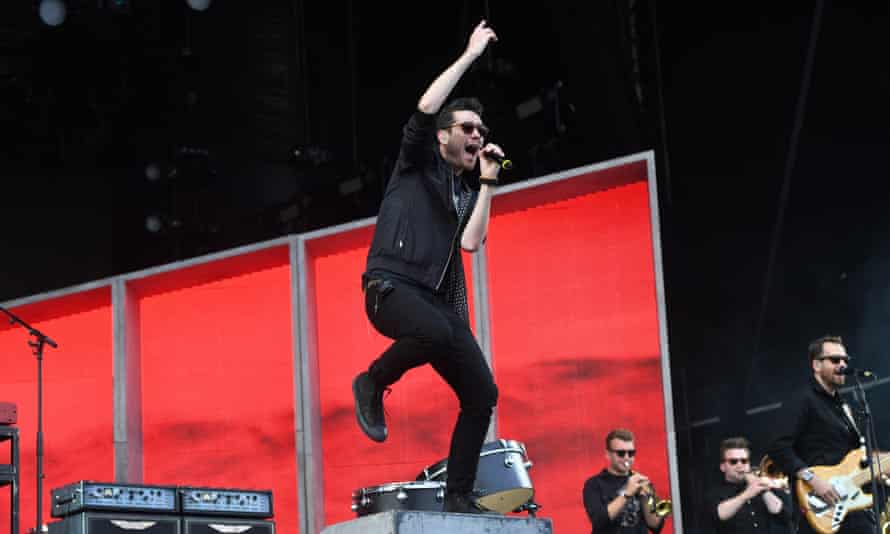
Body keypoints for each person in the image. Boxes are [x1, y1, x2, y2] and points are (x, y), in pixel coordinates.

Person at [351, 20, 503, 514]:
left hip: (435, 307)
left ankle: (458, 495)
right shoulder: (416, 161)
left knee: (482, 393)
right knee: (438, 331)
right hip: (389, 286)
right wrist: (469, 55)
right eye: (468, 128)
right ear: (443, 137)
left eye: (482, 130)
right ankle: (371, 382)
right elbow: (425, 107)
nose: (478, 134)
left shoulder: (463, 188)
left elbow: (473, 243)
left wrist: (487, 184)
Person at [767, 335, 873, 534]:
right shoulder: (802, 399)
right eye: (835, 360)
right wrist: (813, 479)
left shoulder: (842, 405)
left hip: (851, 505)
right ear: (816, 365)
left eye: (845, 360)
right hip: (819, 505)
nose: (842, 364)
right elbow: (777, 446)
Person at [583, 429, 666, 534]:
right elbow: (599, 520)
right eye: (621, 453)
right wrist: (626, 494)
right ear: (608, 454)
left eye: (631, 453)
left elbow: (655, 526)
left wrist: (645, 498)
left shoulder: (642, 481)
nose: (627, 458)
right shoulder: (593, 484)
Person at [705, 437, 789, 534]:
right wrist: (747, 494)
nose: (740, 465)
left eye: (744, 461)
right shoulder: (714, 493)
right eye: (733, 462)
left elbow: (778, 511)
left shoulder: (760, 485)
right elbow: (720, 514)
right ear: (723, 467)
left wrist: (761, 488)